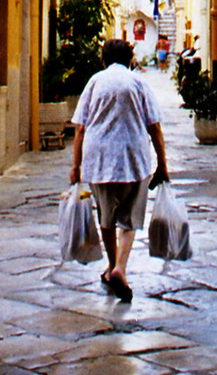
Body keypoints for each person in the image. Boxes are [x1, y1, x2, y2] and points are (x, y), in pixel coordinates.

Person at [69, 37, 169, 301]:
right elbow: (154, 127)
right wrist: (162, 165)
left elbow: (80, 128)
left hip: (98, 158)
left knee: (106, 216)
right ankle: (120, 269)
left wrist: (75, 167)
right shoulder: (138, 82)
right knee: (129, 220)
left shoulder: (95, 82)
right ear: (130, 60)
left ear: (103, 60)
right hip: (132, 158)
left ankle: (112, 267)